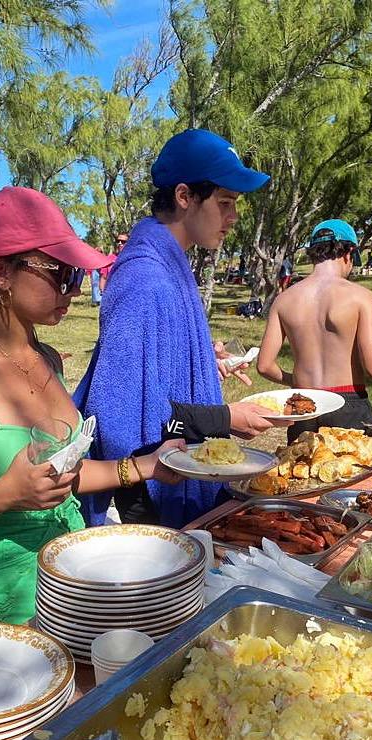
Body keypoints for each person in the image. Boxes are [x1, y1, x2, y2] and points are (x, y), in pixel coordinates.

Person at [0, 186, 183, 626]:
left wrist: (144, 467)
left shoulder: (47, 359)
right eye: (62, 274)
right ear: (1, 272)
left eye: (77, 277)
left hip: (69, 587)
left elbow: (58, 477)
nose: (74, 290)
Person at [73, 128, 284, 528]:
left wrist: (202, 361)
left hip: (169, 469)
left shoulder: (169, 267)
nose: (233, 217)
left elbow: (151, 373)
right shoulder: (144, 280)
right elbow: (121, 414)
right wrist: (225, 419)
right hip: (149, 496)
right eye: (224, 202)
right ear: (184, 196)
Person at [257, 219, 372, 444]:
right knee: (353, 475)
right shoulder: (361, 297)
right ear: (348, 253)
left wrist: (295, 379)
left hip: (304, 403)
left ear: (314, 253)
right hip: (348, 401)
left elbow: (264, 366)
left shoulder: (284, 300)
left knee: (302, 475)